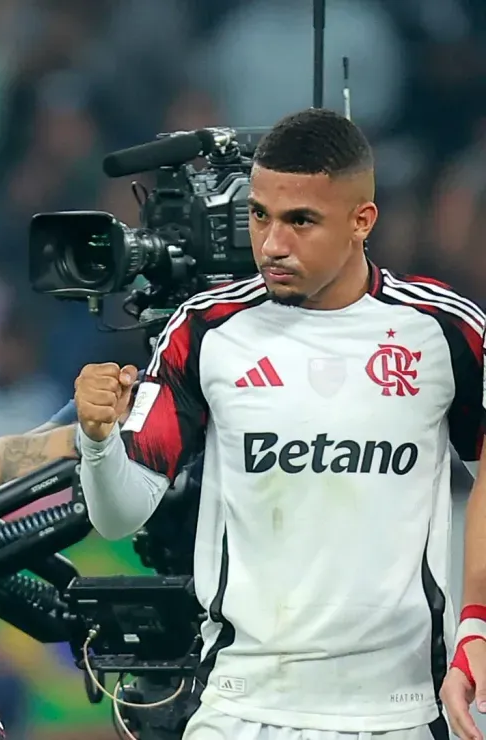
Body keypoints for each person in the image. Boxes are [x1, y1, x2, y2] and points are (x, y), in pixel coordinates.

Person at [73, 107, 484, 739]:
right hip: (242, 710)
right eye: (259, 214)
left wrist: (477, 626)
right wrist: (97, 441)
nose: (271, 244)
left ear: (361, 221)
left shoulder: (444, 332)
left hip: (400, 710)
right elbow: (120, 514)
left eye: (301, 221)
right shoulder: (202, 330)